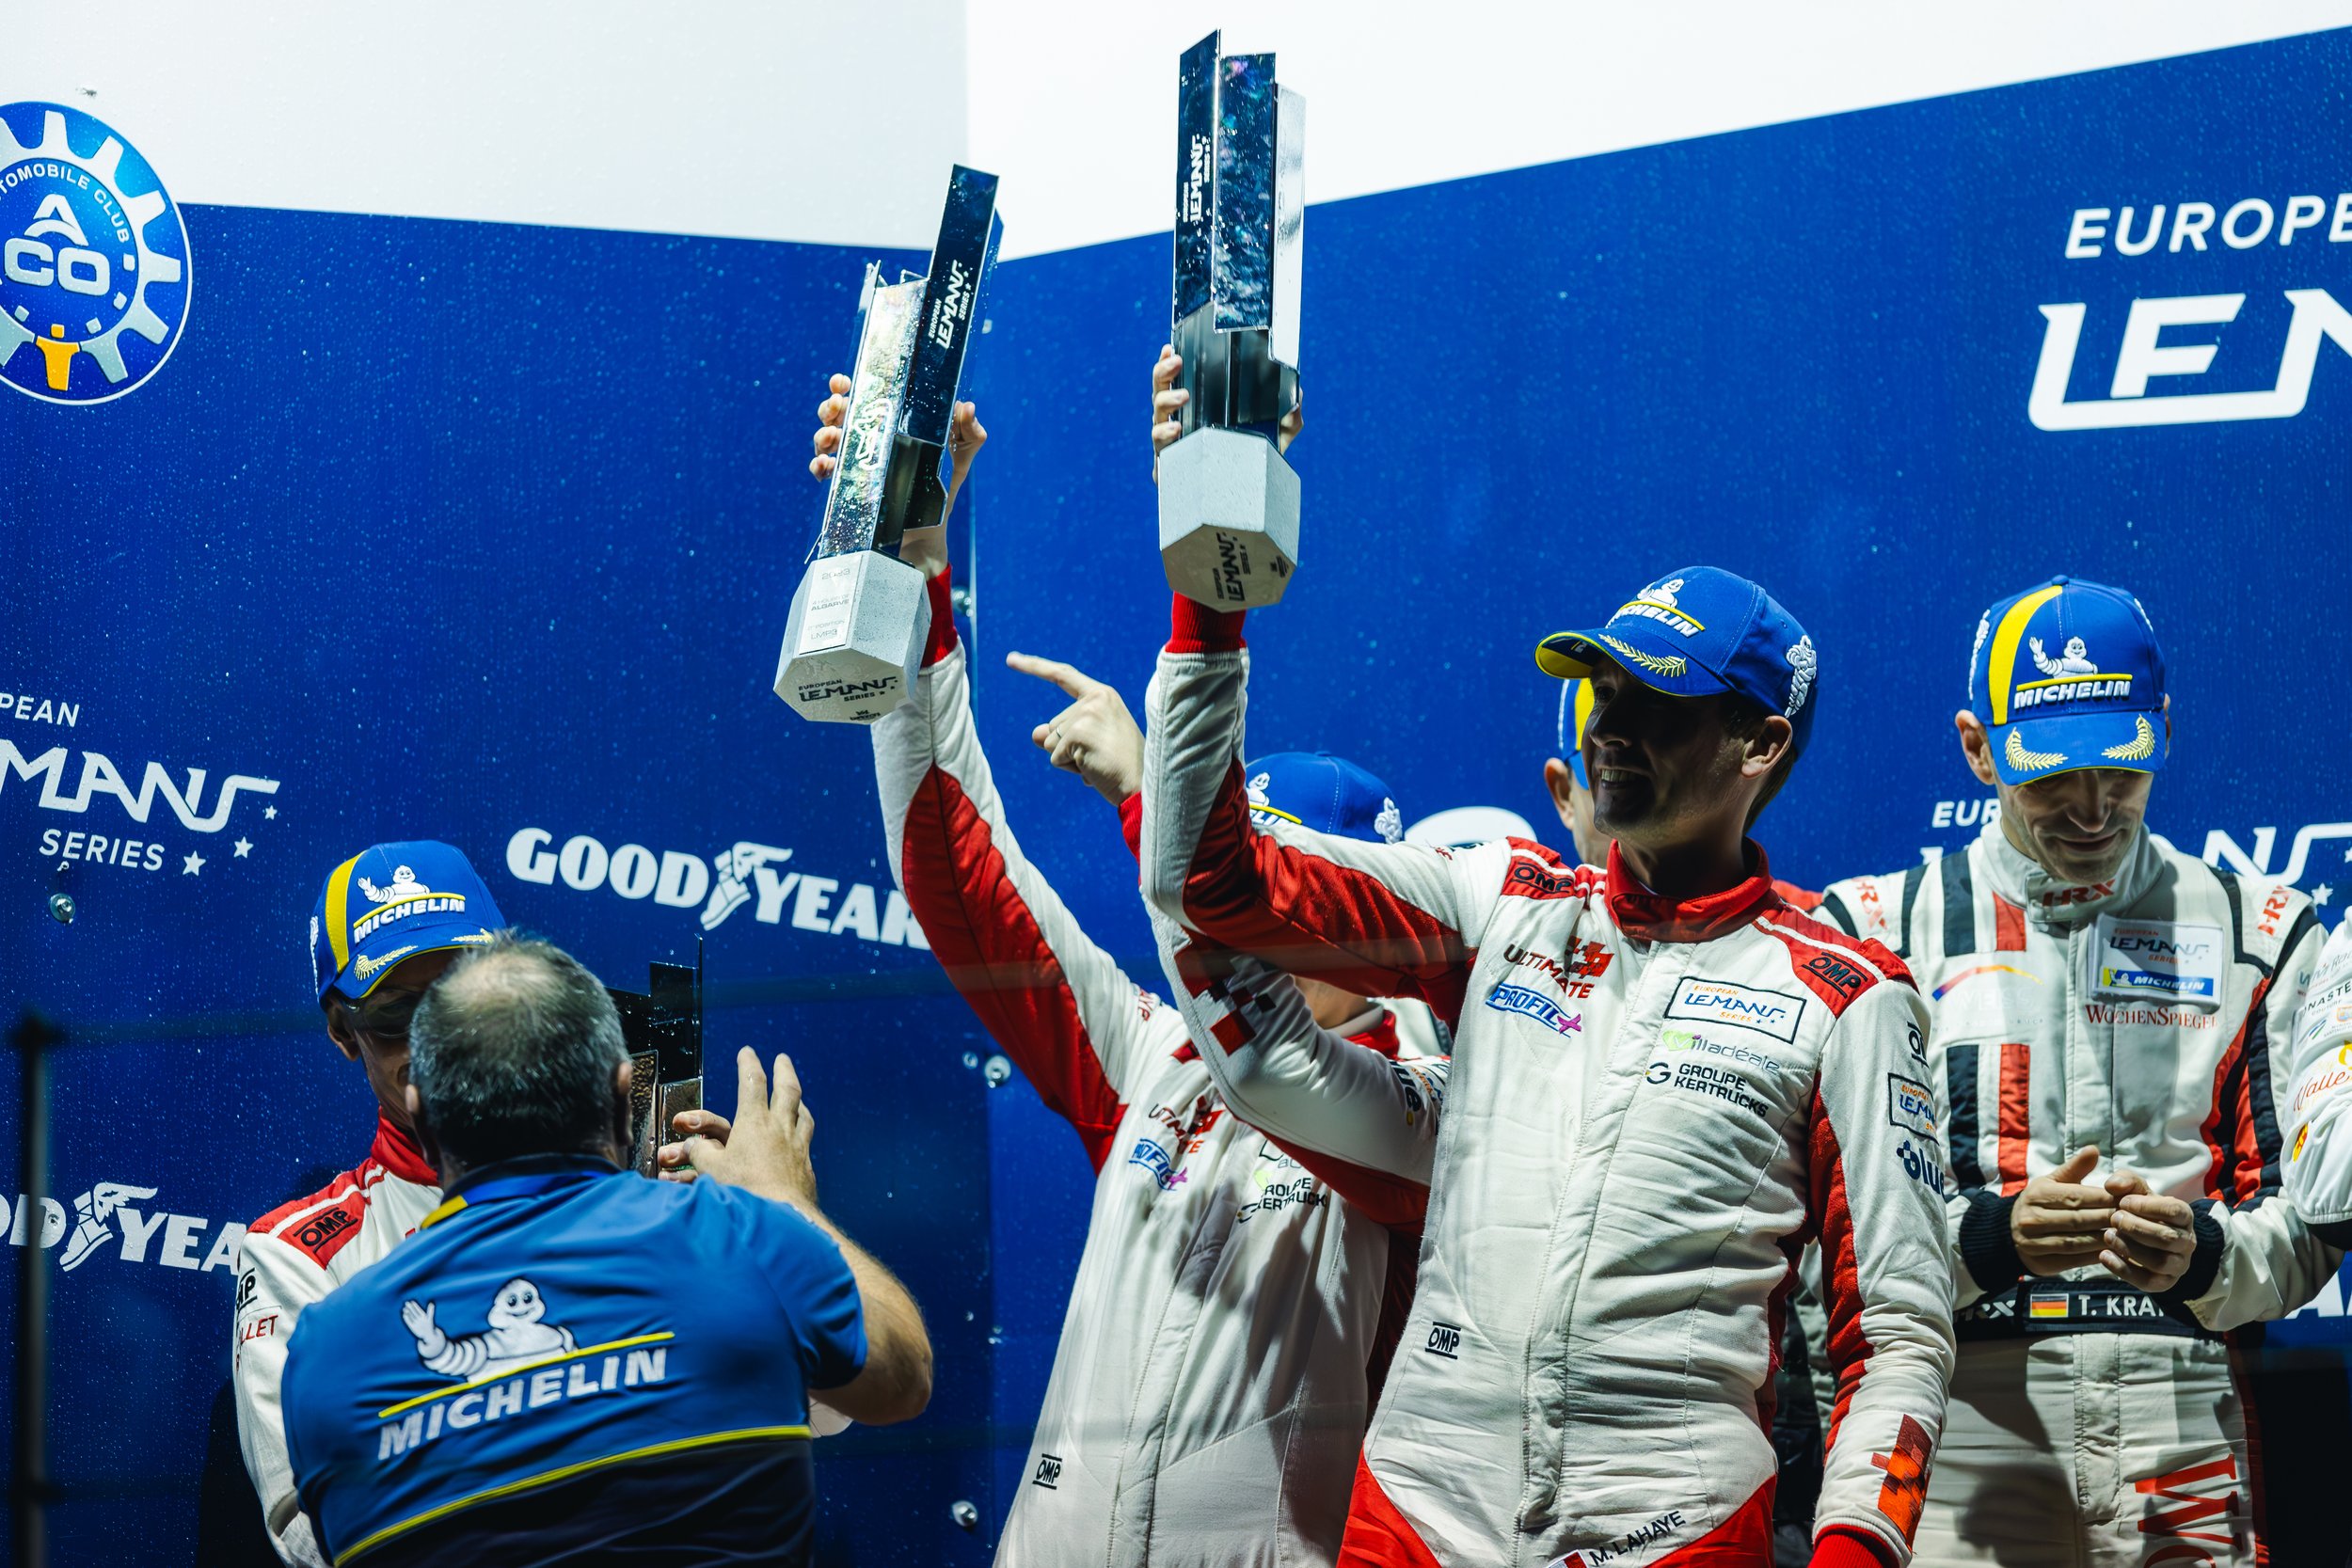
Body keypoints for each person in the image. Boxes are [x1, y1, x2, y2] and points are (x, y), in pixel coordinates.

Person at [1140, 556, 1953, 1566]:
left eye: (1656, 699)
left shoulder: (1849, 995)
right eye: (1603, 688)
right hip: (1419, 1510)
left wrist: (1852, 1554)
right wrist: (1210, 603)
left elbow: (1899, 1338)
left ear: (1758, 740)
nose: (1607, 723)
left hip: (1676, 1529)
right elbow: (1214, 878)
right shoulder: (1504, 904)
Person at [809, 374, 1449, 1564]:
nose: (1239, 905)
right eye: (1225, 870)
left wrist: (1151, 792)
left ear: (1361, 911)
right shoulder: (1156, 1055)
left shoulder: (1438, 1122)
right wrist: (913, 564)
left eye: (1266, 882)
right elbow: (956, 866)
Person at [1817, 576, 2332, 1567]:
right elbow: (1824, 1228)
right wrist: (1984, 1238)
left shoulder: (2259, 930)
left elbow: (2309, 1214)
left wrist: (2207, 1256)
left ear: (2163, 729)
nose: (2092, 805)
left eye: (2121, 766)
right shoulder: (1874, 936)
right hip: (1957, 1402)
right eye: (2051, 772)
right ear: (1976, 746)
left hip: (2179, 1397)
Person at [278, 933, 930, 1566]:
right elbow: (904, 1375)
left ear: (419, 1116)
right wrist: (783, 1199)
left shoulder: (326, 1350)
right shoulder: (742, 1237)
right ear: (625, 1096)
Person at [234, 840, 505, 1567]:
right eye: (395, 1013)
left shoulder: (629, 1190)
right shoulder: (296, 1254)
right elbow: (312, 1535)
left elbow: (820, 1412)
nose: (437, 1035)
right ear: (342, 1030)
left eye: (459, 993)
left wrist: (755, 1237)